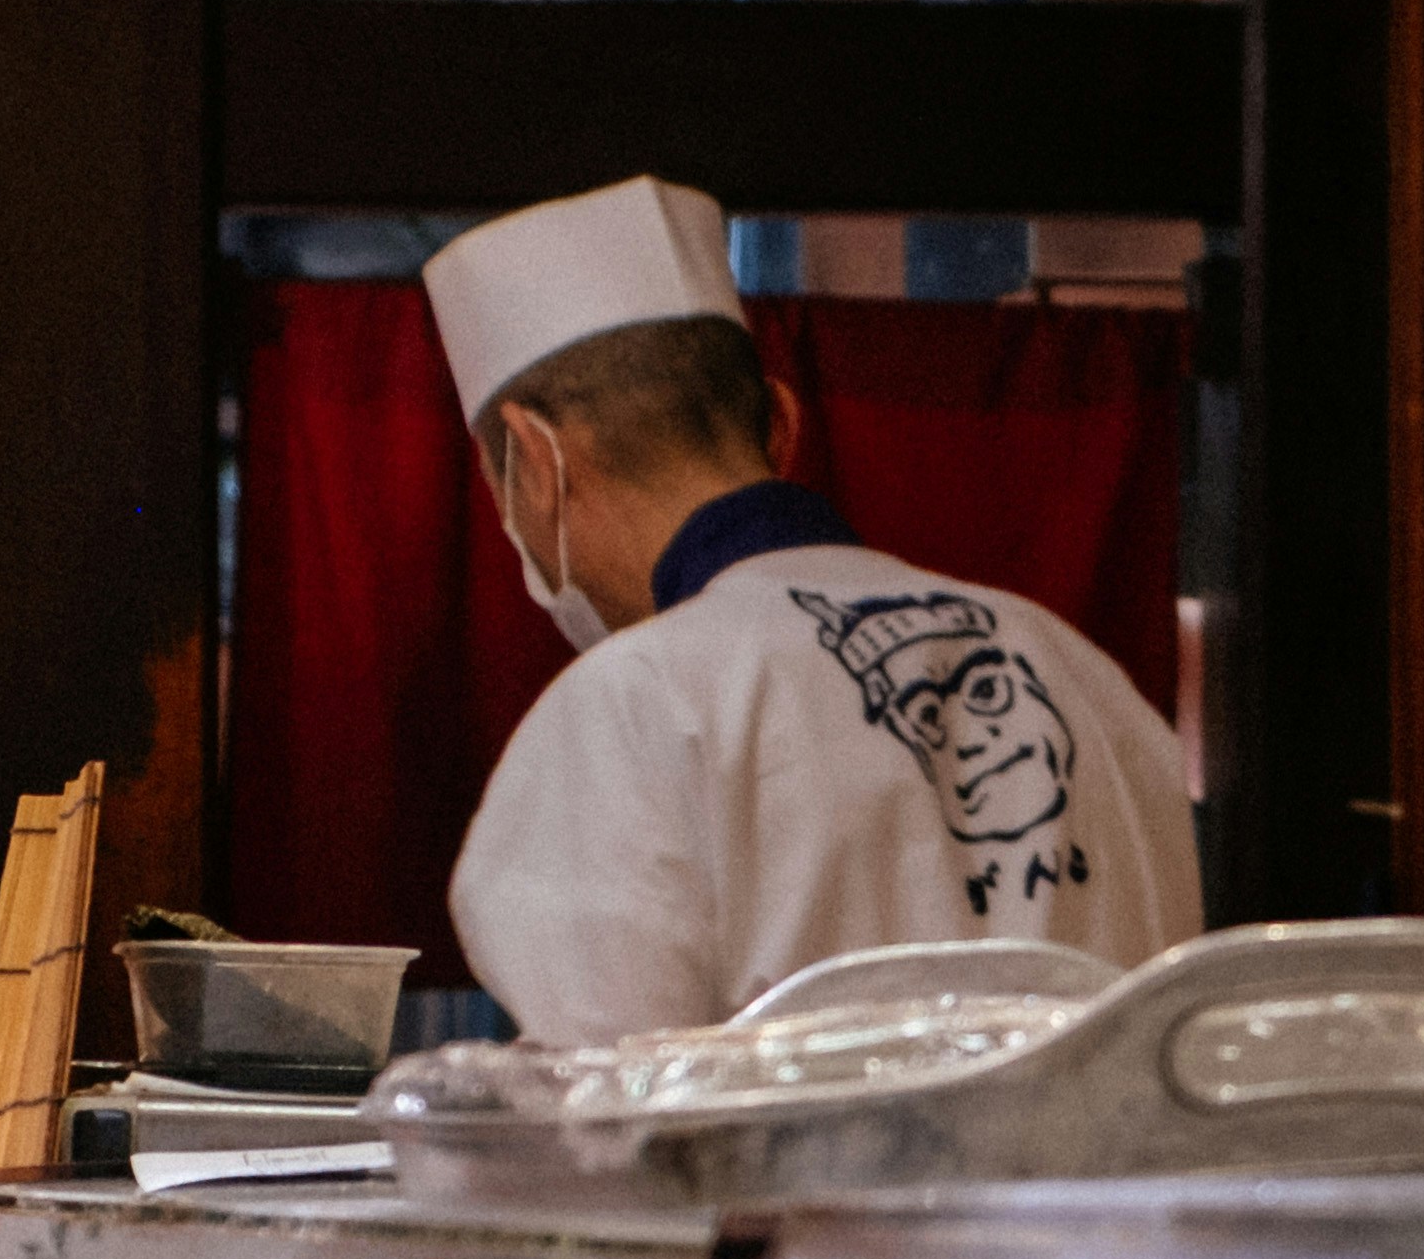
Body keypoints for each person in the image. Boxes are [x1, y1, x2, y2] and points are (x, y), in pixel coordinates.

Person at [429, 175, 1199, 1042]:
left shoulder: (630, 705)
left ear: (536, 460)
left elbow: (606, 1130)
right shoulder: (1079, 669)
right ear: (782, 423)